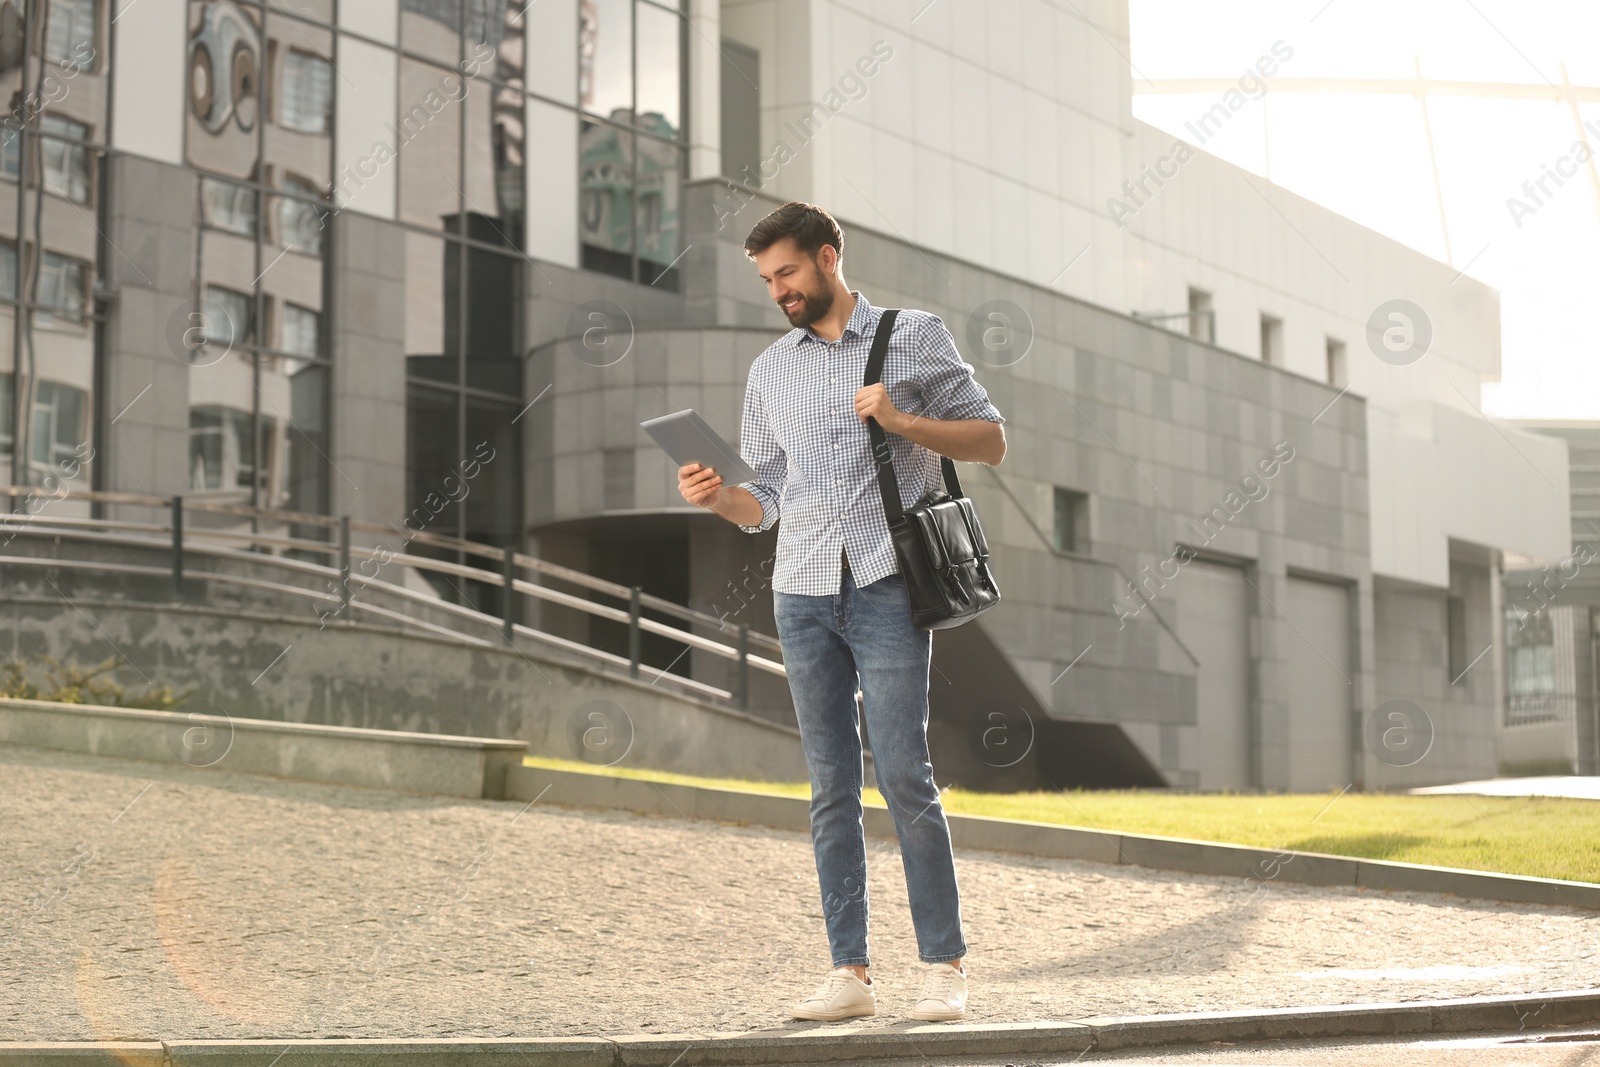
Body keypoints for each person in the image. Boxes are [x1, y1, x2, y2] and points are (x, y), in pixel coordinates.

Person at [676, 202, 1006, 1022]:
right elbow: (769, 502)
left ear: (827, 258)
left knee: (903, 775)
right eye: (767, 280)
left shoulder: (914, 336)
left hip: (890, 584)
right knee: (830, 786)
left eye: (787, 272)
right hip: (802, 590)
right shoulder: (769, 372)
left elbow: (991, 439)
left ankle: (944, 967)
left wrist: (902, 421)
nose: (778, 290)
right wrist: (719, 501)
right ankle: (851, 974)